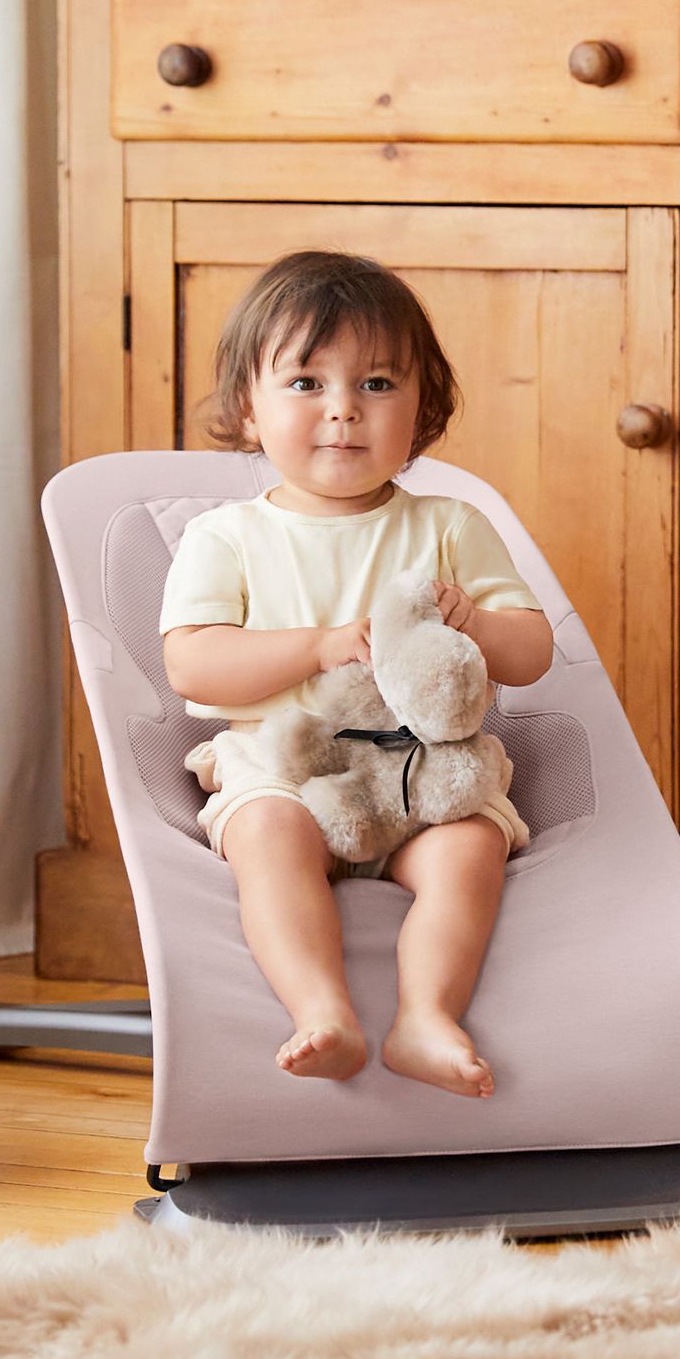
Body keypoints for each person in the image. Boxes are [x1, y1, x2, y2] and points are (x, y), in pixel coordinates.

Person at [160, 251, 553, 1099]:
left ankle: (426, 1016)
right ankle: (321, 1012)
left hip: (419, 775)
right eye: (306, 383)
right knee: (268, 836)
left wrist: (476, 624)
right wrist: (317, 646)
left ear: (425, 408)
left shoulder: (449, 524)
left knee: (470, 848)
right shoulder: (225, 536)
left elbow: (531, 651)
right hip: (284, 769)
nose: (342, 410)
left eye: (377, 384)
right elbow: (192, 658)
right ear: (246, 409)